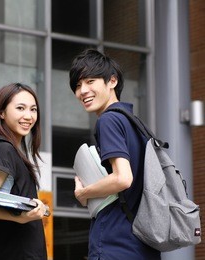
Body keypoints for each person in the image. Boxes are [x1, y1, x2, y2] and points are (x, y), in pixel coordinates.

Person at [69, 49, 161, 260]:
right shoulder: (134, 123)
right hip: (143, 246)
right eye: (77, 85)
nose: (82, 91)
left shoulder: (108, 120)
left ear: (112, 81)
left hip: (115, 243)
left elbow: (123, 178)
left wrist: (84, 193)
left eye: (90, 81)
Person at [0, 83, 48, 260]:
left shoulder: (9, 151)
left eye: (33, 109)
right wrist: (21, 218)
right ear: (1, 113)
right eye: (20, 108)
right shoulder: (4, 149)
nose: (28, 116)